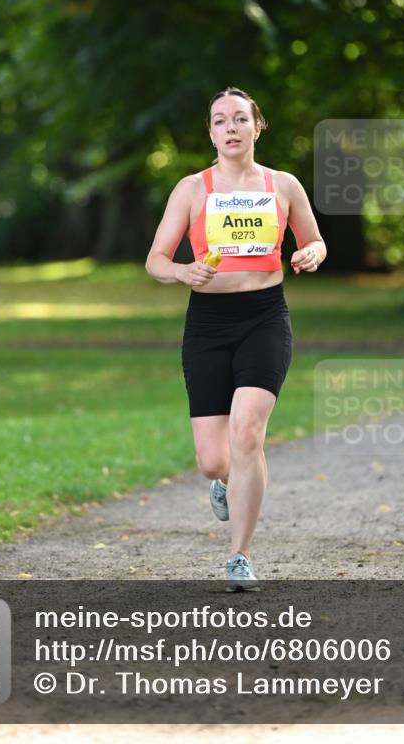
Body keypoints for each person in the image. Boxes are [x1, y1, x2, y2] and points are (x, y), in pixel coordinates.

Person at [145, 86, 326, 590]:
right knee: (213, 460)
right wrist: (184, 272)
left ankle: (239, 556)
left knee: (248, 431)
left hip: (265, 318)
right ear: (211, 132)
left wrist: (312, 253)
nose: (230, 128)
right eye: (220, 120)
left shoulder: (282, 185)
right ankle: (224, 484)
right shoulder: (192, 189)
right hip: (207, 323)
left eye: (240, 119)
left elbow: (314, 239)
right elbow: (155, 261)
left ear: (257, 127)